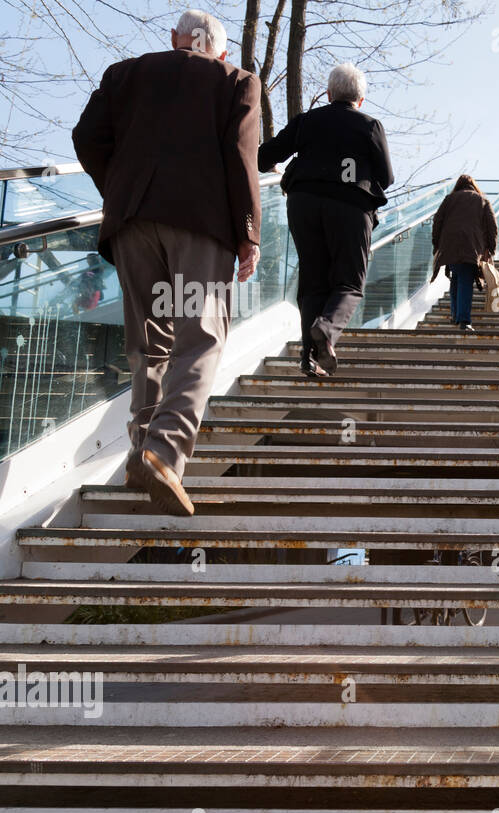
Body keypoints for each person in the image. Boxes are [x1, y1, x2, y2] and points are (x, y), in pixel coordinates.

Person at [72, 9, 261, 517]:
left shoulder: (125, 73)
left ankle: (142, 452)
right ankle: (165, 451)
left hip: (133, 223)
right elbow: (242, 157)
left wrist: (122, 190)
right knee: (201, 336)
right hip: (200, 223)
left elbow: (86, 138)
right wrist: (248, 233)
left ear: (174, 39)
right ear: (219, 51)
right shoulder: (237, 81)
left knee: (147, 342)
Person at [258, 62, 394, 378]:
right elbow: (386, 177)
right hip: (350, 206)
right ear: (360, 100)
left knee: (313, 282)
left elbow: (266, 156)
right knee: (349, 282)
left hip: (303, 203)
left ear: (329, 93)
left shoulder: (307, 121)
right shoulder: (369, 125)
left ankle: (309, 359)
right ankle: (327, 328)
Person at [430, 175, 499, 333]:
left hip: (450, 245)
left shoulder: (449, 199)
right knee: (465, 280)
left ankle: (456, 314)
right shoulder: (482, 201)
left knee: (457, 277)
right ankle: (464, 320)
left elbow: (437, 221)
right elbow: (492, 226)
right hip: (472, 246)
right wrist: (491, 248)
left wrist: (437, 244)